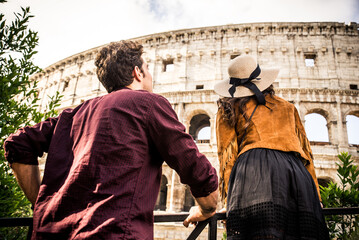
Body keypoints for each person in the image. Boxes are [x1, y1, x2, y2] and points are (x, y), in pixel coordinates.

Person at [4, 40, 218, 239]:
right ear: (137, 73)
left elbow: (17, 143)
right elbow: (192, 163)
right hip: (113, 233)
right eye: (148, 70)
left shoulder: (71, 115)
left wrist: (41, 205)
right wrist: (206, 208)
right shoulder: (148, 103)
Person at [214, 55, 329, 239]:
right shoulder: (288, 107)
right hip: (295, 174)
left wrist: (229, 201)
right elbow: (306, 154)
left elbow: (227, 157)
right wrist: (316, 196)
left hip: (253, 172)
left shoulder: (228, 109)